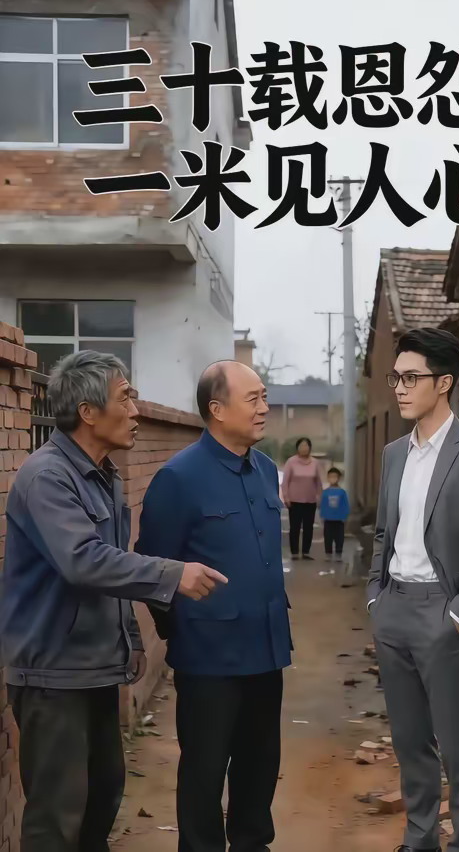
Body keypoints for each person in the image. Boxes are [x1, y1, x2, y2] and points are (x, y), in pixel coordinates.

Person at [0, 351, 225, 852]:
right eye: (125, 398)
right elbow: (83, 560)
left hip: (95, 668)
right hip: (53, 674)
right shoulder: (47, 477)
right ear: (87, 412)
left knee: (101, 800)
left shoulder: (104, 475)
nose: (136, 410)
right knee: (57, 819)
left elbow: (112, 568)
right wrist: (173, 574)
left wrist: (130, 638)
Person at [135, 360, 292, 852]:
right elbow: (152, 568)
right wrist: (182, 630)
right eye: (254, 399)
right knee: (204, 772)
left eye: (264, 397)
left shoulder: (265, 470)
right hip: (208, 658)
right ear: (217, 409)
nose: (264, 408)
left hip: (265, 649)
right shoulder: (179, 478)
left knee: (260, 766)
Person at [367, 328, 459, 852]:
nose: (400, 388)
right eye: (395, 377)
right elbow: (384, 532)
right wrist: (376, 597)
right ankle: (420, 839)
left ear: (443, 383)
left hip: (442, 613)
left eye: (411, 378)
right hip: (394, 608)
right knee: (409, 742)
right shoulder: (393, 454)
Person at [281, 437, 322, 561]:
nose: (304, 448)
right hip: (294, 501)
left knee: (308, 527)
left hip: (310, 500)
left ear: (310, 448)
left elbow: (318, 482)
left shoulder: (315, 463)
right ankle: (294, 552)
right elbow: (285, 482)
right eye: (301, 446)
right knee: (295, 527)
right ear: (297, 448)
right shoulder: (291, 462)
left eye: (306, 446)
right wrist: (286, 497)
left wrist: (319, 496)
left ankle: (306, 551)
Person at [319, 466, 350, 561]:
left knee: (339, 537)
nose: (333, 478)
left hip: (339, 519)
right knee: (328, 537)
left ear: (339, 478)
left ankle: (338, 553)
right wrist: (322, 516)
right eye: (331, 476)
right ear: (328, 478)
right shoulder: (325, 492)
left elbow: (345, 505)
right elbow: (323, 505)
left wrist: (345, 516)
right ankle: (328, 553)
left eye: (335, 476)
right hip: (328, 519)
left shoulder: (342, 492)